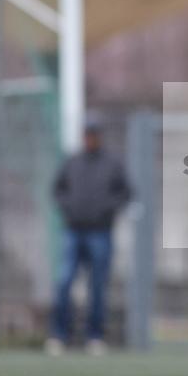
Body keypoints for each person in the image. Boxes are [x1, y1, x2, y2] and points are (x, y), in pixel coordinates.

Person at [47, 114, 131, 356]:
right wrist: (69, 208)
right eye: (87, 134)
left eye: (93, 134)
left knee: (97, 286)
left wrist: (106, 209)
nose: (90, 139)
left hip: (100, 232)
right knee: (64, 282)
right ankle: (59, 335)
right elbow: (57, 190)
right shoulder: (72, 163)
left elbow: (125, 193)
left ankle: (95, 336)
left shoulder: (112, 164)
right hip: (73, 231)